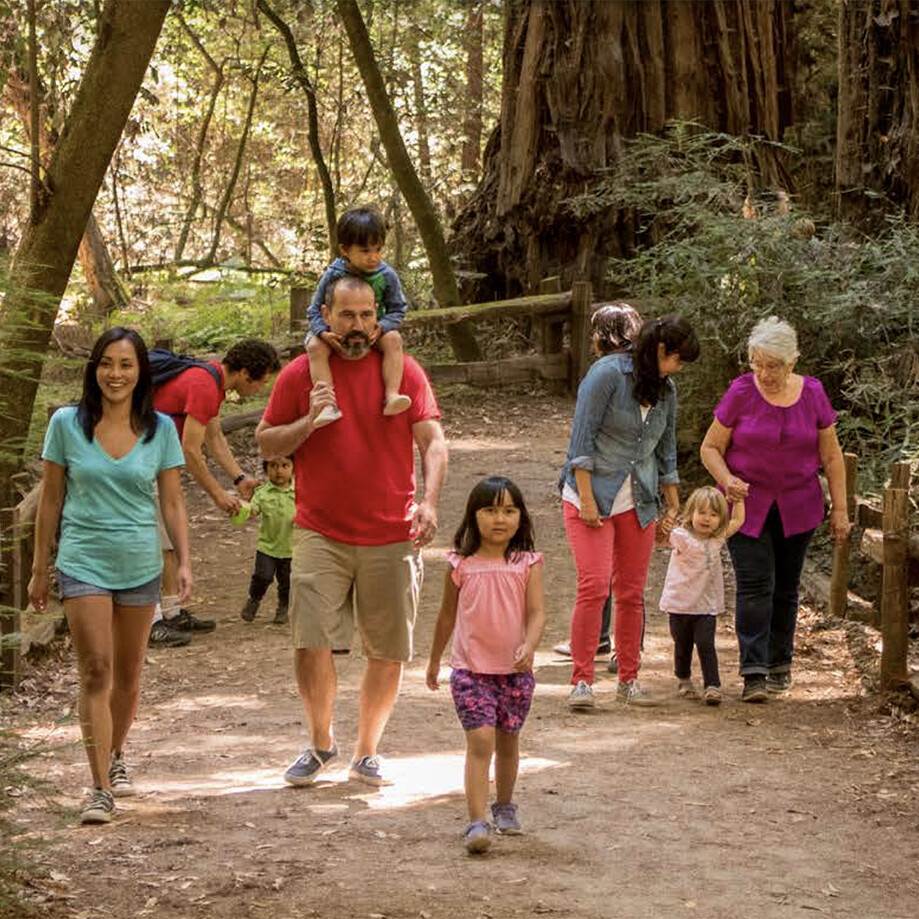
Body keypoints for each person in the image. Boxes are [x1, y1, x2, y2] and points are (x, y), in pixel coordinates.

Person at [256, 274, 447, 788]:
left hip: (392, 531)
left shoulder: (404, 371)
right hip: (320, 531)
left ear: (378, 316)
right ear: (326, 315)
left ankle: (367, 751)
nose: (358, 326)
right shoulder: (302, 374)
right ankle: (320, 743)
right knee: (309, 642)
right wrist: (308, 423)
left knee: (387, 648)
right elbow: (268, 441)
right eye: (347, 315)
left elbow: (433, 442)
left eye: (367, 315)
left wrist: (428, 502)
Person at [28, 328, 192, 824]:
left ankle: (116, 754)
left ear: (140, 372)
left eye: (125, 365)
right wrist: (40, 568)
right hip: (82, 561)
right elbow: (50, 500)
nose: (114, 374)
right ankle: (98, 786)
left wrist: (183, 560)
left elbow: (172, 501)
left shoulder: (160, 428)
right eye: (106, 363)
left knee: (128, 675)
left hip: (139, 562)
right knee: (96, 669)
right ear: (93, 368)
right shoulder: (65, 424)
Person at [700, 316, 851, 702]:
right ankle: (753, 671)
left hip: (798, 505)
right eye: (757, 363)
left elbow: (832, 458)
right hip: (744, 505)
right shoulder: (740, 392)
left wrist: (840, 509)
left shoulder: (814, 394)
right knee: (755, 584)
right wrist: (728, 479)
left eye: (772, 366)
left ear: (792, 363)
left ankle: (779, 663)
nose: (763, 373)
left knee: (785, 586)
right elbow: (710, 448)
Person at [561, 314, 700, 710]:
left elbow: (666, 451)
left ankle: (629, 679)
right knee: (594, 585)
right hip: (592, 495)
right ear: (660, 350)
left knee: (632, 592)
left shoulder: (667, 391)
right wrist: (587, 499)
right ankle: (582, 680)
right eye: (677, 360)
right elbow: (581, 441)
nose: (679, 369)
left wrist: (673, 504)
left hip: (637, 501)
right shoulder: (606, 374)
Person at [426, 477, 546, 854]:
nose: (500, 519)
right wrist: (433, 661)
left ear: (520, 518)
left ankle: (504, 806)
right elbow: (446, 615)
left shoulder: (528, 563)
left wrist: (529, 645)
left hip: (515, 673)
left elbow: (537, 613)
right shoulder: (460, 564)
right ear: (473, 516)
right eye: (490, 510)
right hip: (470, 671)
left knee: (508, 742)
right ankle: (476, 822)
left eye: (509, 510)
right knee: (481, 741)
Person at [150, 337, 281, 645]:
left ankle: (171, 611)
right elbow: (191, 451)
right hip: (144, 464)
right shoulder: (205, 384)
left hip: (159, 465)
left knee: (168, 541)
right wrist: (217, 495)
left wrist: (238, 480)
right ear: (246, 373)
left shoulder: (212, 381)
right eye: (262, 381)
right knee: (155, 542)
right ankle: (152, 620)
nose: (261, 389)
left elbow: (215, 437)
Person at [553, 304, 644, 670]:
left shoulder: (604, 372)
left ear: (602, 336)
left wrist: (584, 493)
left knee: (607, 580)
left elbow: (583, 440)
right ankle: (615, 648)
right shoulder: (636, 373)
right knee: (624, 583)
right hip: (621, 486)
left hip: (609, 485)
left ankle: (613, 650)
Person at [306, 206, 411, 426]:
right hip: (336, 333)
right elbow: (314, 310)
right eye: (365, 251)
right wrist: (323, 333)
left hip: (373, 332)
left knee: (394, 340)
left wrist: (381, 327)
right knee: (315, 347)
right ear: (345, 249)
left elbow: (398, 308)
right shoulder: (333, 274)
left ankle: (392, 395)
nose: (373, 257)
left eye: (378, 250)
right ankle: (327, 404)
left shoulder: (387, 275)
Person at [659, 486, 745, 706]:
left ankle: (712, 685)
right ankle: (684, 679)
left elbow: (738, 521)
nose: (707, 519)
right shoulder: (682, 536)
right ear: (691, 513)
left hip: (705, 605)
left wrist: (738, 499)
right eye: (702, 513)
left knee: (706, 643)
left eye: (714, 514)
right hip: (679, 604)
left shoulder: (716, 540)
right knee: (682, 644)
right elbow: (661, 538)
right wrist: (665, 523)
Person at [231, 455, 295, 625]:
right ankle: (254, 600)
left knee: (287, 582)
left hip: (292, 549)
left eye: (284, 465)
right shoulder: (262, 492)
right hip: (267, 547)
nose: (279, 471)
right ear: (266, 469)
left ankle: (283, 607)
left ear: (293, 468)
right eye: (273, 466)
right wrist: (241, 510)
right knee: (262, 576)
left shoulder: (300, 491)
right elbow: (252, 510)